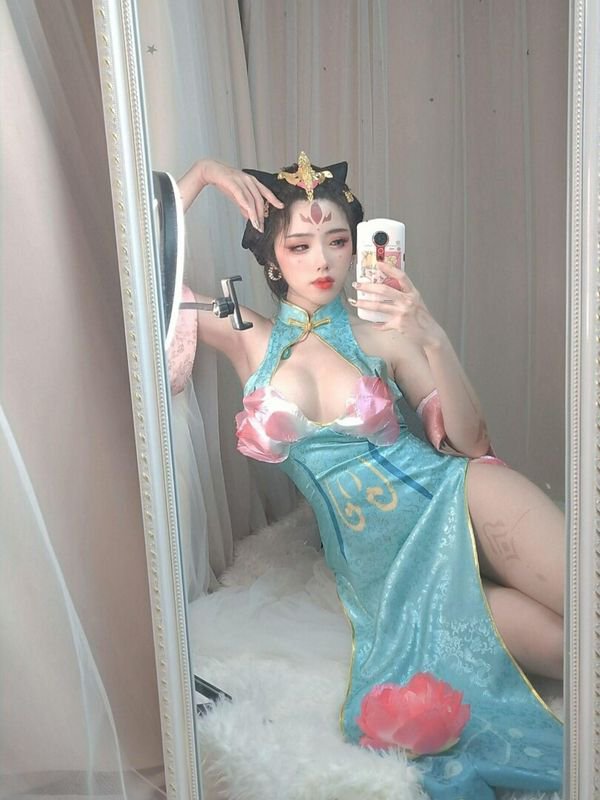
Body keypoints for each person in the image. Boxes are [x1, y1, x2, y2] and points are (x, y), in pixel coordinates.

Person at [176, 154, 563, 799]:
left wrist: (431, 336)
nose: (323, 260)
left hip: (460, 499)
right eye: (300, 245)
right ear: (273, 261)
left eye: (337, 240)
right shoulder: (247, 335)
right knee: (565, 650)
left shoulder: (381, 336)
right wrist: (205, 175)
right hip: (393, 582)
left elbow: (470, 443)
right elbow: (139, 274)